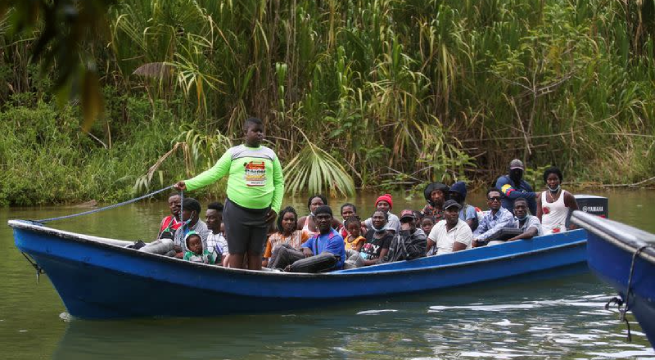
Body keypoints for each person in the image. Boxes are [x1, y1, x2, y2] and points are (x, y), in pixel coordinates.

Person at [174, 117, 284, 270]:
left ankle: (255, 287)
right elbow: (214, 173)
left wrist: (276, 208)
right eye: (255, 131)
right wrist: (188, 184)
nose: (260, 134)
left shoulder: (270, 154)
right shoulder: (234, 153)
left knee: (256, 252)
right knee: (237, 252)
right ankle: (236, 285)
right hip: (237, 212)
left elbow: (279, 182)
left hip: (263, 214)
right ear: (245, 132)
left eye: (262, 131)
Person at [270, 205, 346, 272]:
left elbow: (324, 260)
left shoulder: (335, 238)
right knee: (281, 247)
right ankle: (269, 272)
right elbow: (302, 246)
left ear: (332, 219)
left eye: (326, 217)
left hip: (327, 269)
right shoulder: (316, 236)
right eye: (320, 217)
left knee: (284, 252)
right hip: (313, 263)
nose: (323, 220)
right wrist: (305, 247)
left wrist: (293, 266)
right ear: (315, 220)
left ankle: (273, 275)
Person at [537, 166, 579, 234]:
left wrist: (573, 226)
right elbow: (538, 218)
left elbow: (577, 212)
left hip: (560, 233)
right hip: (543, 232)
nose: (552, 182)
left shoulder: (566, 196)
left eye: (555, 179)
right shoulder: (541, 197)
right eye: (549, 179)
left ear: (560, 180)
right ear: (546, 181)